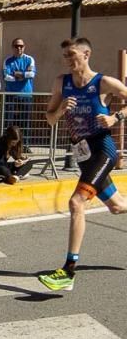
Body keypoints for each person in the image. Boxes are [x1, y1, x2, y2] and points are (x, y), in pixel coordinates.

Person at [38, 38, 127, 292]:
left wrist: (115, 117)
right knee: (118, 207)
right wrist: (61, 109)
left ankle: (68, 271)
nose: (67, 59)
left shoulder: (103, 82)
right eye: (65, 55)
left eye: (72, 55)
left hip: (103, 150)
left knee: (76, 202)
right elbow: (50, 119)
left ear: (86, 54)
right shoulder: (61, 83)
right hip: (84, 154)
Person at [1, 38, 35, 139]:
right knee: (8, 121)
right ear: (12, 47)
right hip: (11, 95)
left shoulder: (29, 59)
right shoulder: (7, 61)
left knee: (25, 121)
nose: (19, 48)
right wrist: (23, 76)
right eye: (16, 46)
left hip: (26, 95)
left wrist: (18, 74)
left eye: (21, 46)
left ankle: (25, 144)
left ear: (24, 47)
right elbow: (6, 77)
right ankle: (7, 143)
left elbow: (32, 74)